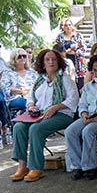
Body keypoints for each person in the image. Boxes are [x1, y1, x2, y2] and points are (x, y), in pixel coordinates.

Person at [10, 49, 79, 182]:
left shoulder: (65, 79)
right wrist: (31, 105)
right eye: (47, 60)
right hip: (40, 114)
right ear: (42, 63)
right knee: (18, 127)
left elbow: (74, 99)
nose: (51, 62)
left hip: (61, 114)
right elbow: (30, 97)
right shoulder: (40, 80)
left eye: (54, 59)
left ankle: (36, 167)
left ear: (59, 62)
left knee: (36, 129)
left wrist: (56, 107)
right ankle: (22, 166)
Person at [0, 48, 38, 114]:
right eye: (19, 56)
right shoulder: (7, 73)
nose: (22, 58)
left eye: (24, 56)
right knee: (25, 102)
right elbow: (6, 89)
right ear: (14, 59)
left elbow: (38, 85)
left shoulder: (32, 72)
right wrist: (22, 91)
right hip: (15, 97)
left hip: (32, 95)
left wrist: (28, 91)